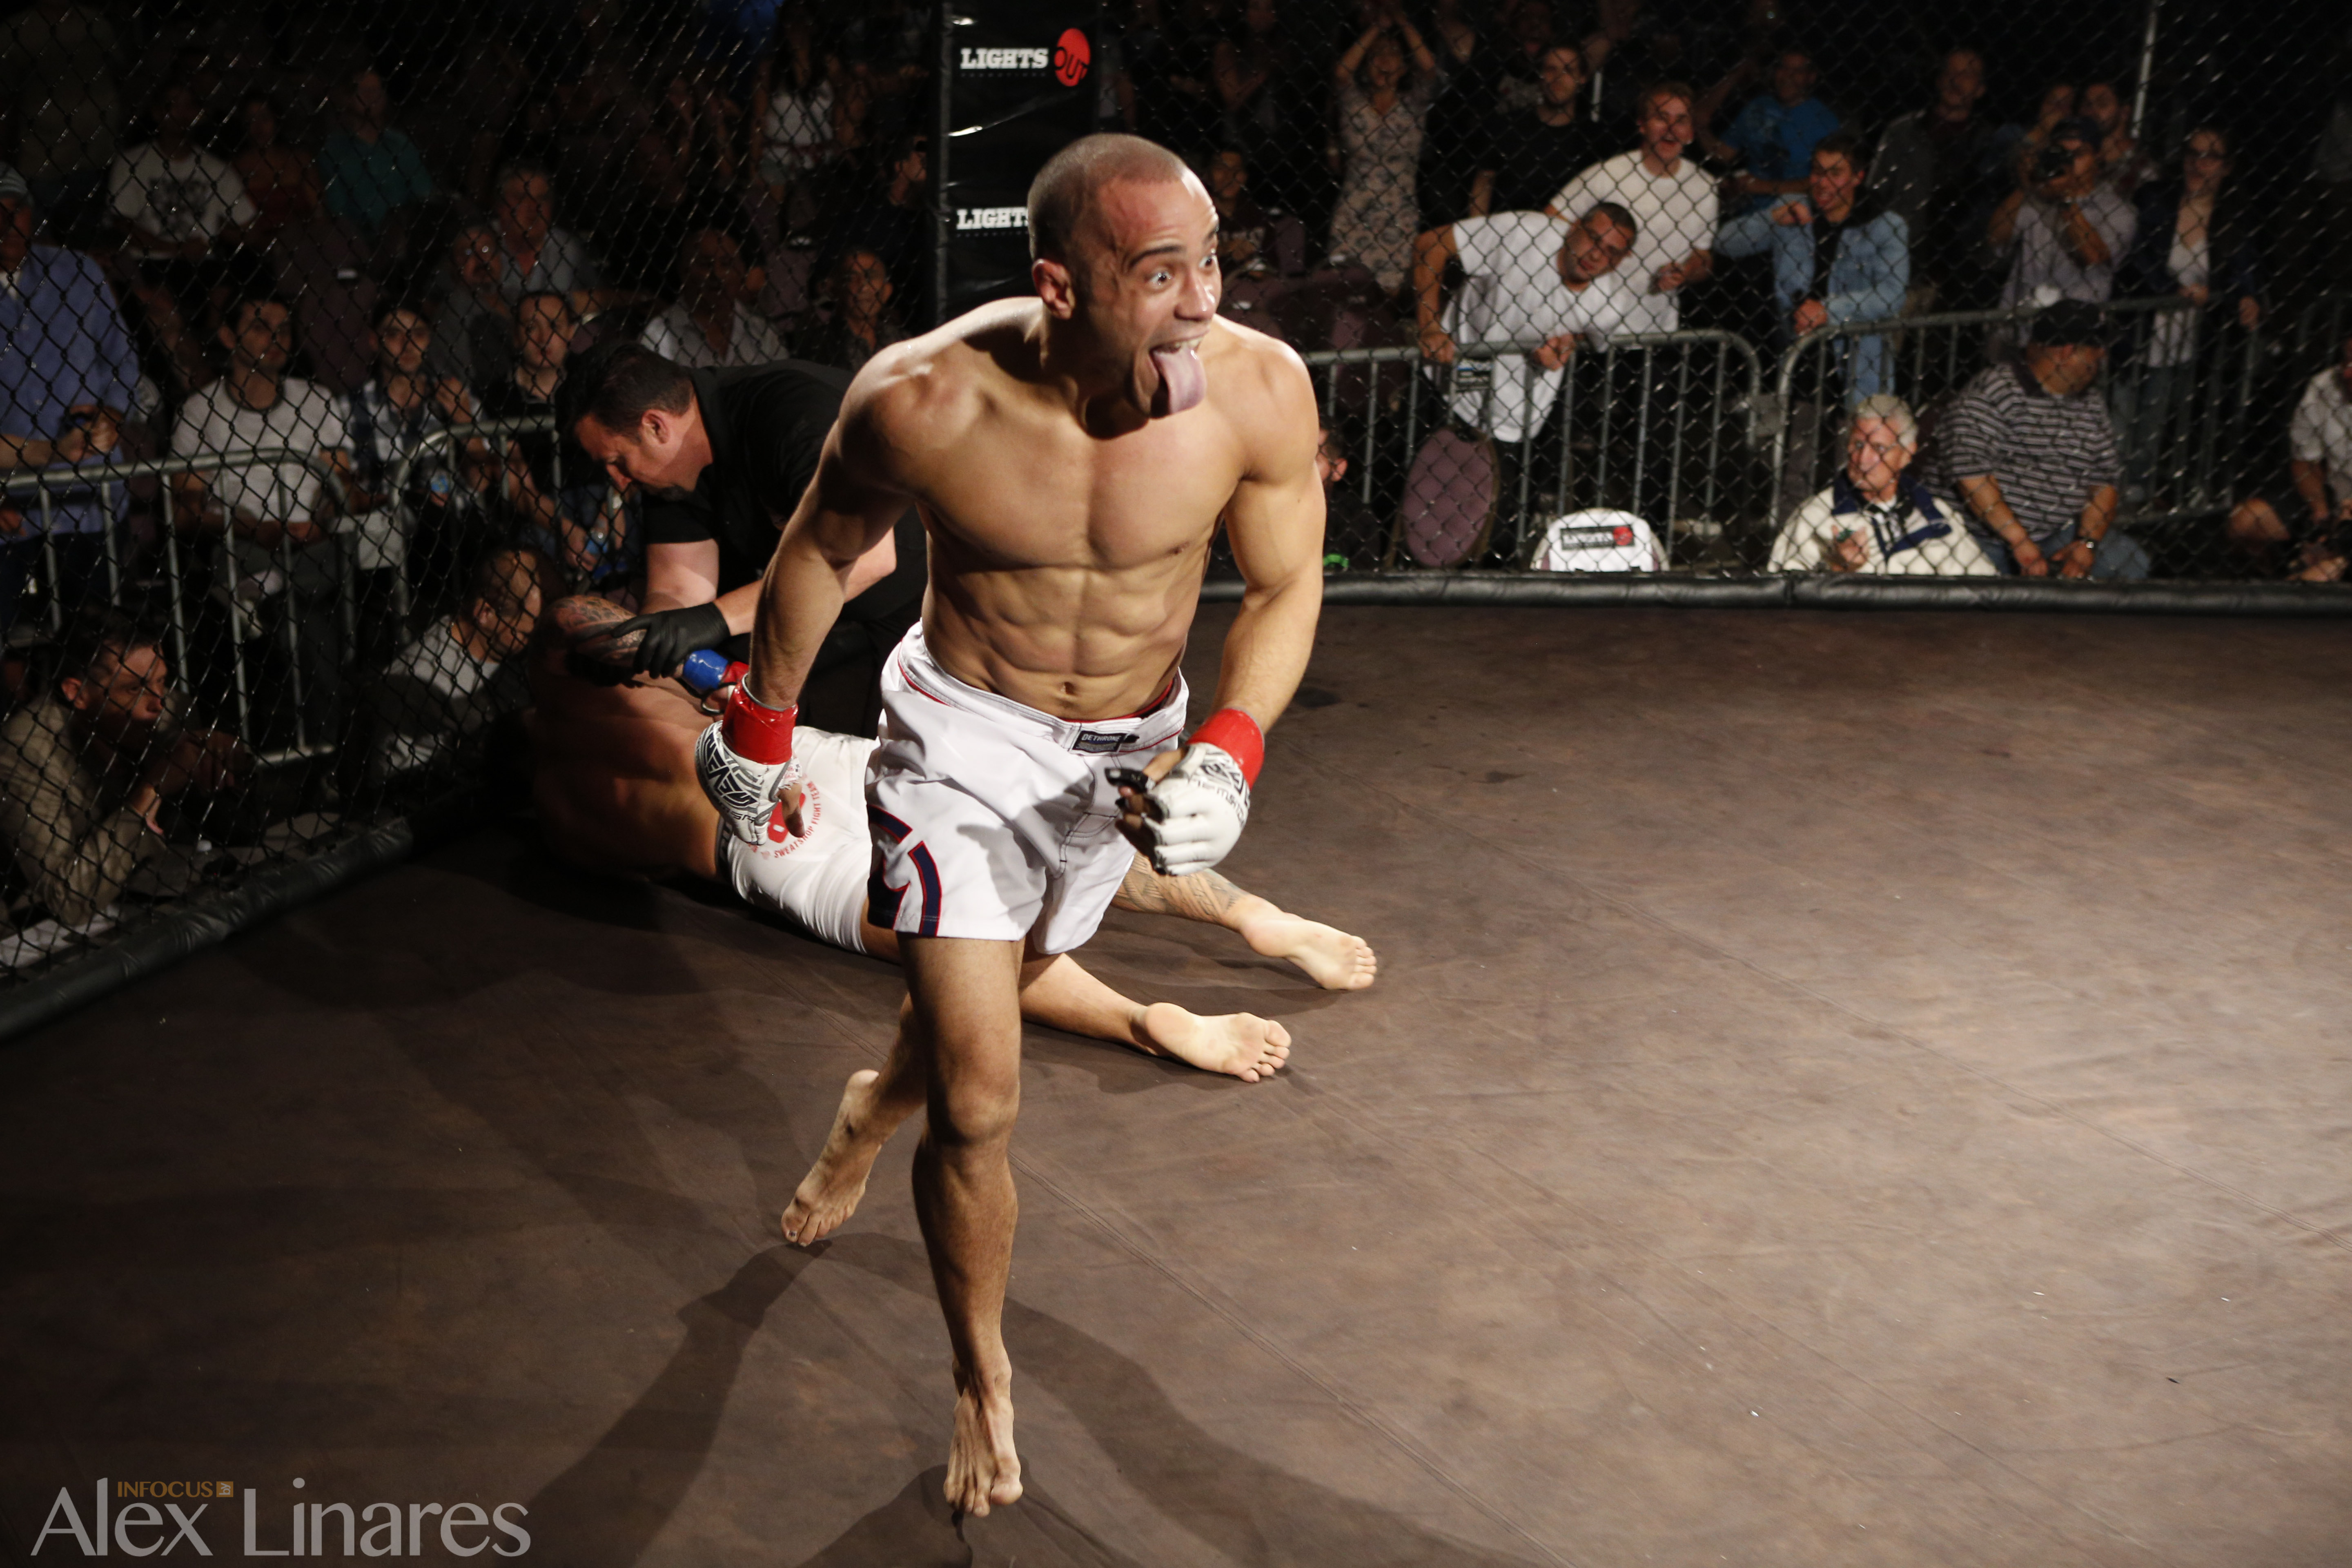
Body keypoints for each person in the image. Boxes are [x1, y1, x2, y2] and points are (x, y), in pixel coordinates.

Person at [688, 133, 1323, 1515]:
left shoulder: (1258, 389)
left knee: (975, 1007)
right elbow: (818, 549)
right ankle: (981, 1375)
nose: (1206, 301)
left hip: (1130, 749)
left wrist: (1230, 752)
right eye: (1163, 274)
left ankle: (870, 1108)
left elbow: (1286, 585)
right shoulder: (924, 400)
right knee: (982, 1094)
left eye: (1214, 261)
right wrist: (761, 728)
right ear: (1060, 285)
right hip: (962, 747)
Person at [530, 595, 1368, 1062]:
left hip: (762, 849)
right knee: (1043, 831)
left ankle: (1142, 1019)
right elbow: (599, 627)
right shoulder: (604, 690)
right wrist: (703, 672)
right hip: (799, 769)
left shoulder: (561, 806)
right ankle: (1251, 917)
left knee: (966, 935)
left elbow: (643, 866)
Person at [168, 293, 358, 737]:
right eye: (259, 327)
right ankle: (329, 744)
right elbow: (184, 510)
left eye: (284, 329)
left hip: (313, 543)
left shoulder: (316, 399)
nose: (276, 338)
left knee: (304, 595)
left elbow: (341, 482)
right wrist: (252, 527)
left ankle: (259, 596)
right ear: (228, 336)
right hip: (246, 544)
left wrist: (321, 518)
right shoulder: (200, 410)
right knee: (301, 620)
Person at [0, 612, 245, 927]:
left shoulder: (173, 711)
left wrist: (232, 761)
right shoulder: (25, 750)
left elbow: (238, 832)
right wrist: (151, 790)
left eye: (161, 681)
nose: (158, 702)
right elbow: (67, 901)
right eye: (134, 688)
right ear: (77, 693)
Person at [1715, 131, 1907, 514]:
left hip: (1860, 362)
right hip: (1803, 357)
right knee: (1797, 466)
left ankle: (1853, 533)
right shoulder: (1794, 212)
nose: (1823, 183)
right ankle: (1791, 537)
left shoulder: (1885, 226)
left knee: (1857, 461)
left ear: (1858, 177)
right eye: (1818, 172)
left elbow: (1892, 294)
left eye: (1836, 173)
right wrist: (1772, 218)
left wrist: (1829, 310)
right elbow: (1725, 242)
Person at [0, 164, 142, 633]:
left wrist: (114, 412)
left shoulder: (76, 271)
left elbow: (122, 359)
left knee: (97, 635)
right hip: (11, 501)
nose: (8, 223)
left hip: (89, 496)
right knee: (10, 642)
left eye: (18, 210)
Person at [1931, 299, 2148, 580]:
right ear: (2067, 352)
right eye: (2095, 349)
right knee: (1987, 585)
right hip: (1982, 535)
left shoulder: (2090, 401)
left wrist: (2086, 543)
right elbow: (1970, 476)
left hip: (2056, 533)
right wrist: (2019, 541)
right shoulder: (1996, 391)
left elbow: (2104, 480)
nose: (2102, 356)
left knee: (2132, 563)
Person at [2111, 126, 2264, 506]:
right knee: (2116, 420)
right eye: (2193, 154)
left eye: (2211, 156)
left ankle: (2132, 500)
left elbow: (2243, 268)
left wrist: (2241, 296)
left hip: (2182, 340)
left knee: (2151, 425)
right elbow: (2137, 256)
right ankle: (2100, 494)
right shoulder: (2156, 199)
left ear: (2227, 166)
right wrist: (2171, 291)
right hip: (2135, 328)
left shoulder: (2233, 216)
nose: (2199, 164)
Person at [1413, 201, 1639, 450]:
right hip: (1442, 380)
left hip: (1511, 418)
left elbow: (1594, 340)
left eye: (1611, 251)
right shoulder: (1523, 232)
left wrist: (1569, 342)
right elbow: (1431, 244)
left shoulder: (1610, 305)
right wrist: (1430, 326)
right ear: (1575, 227)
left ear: (1622, 259)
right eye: (1593, 239)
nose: (1596, 255)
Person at [1544, 81, 1717, 334]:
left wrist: (1686, 271)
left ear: (1691, 131)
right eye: (1662, 118)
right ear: (1642, 124)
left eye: (1681, 121)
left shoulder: (1705, 187)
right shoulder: (1608, 174)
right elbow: (1549, 222)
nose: (1671, 129)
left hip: (1657, 330)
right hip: (1588, 326)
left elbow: (1703, 256)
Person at [1768, 394, 1995, 575]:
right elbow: (1783, 594)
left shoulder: (1937, 515)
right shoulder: (1816, 516)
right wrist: (1837, 570)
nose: (1863, 459)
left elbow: (1985, 584)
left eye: (1879, 448)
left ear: (1907, 454)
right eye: (1858, 445)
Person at [481, 291, 619, 589]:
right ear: (516, 335)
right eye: (532, 327)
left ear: (571, 332)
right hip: (543, 509)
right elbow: (517, 484)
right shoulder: (500, 396)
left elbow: (625, 456)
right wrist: (565, 530)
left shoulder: (594, 378)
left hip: (604, 497)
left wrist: (607, 521)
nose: (544, 338)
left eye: (555, 326)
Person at [372, 548, 542, 780]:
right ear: (485, 613)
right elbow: (392, 777)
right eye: (524, 634)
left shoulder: (502, 654)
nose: (532, 643)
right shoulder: (423, 679)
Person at [1867, 47, 2009, 311]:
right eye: (1950, 72)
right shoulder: (1903, 131)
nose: (1956, 80)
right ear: (1939, 80)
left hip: (1961, 273)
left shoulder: (1991, 143)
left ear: (1981, 89)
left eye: (1967, 75)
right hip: (1899, 265)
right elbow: (1874, 195)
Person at [2223, 332, 2352, 581]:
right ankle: (2276, 575)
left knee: (2323, 575)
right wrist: (2321, 513)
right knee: (2245, 522)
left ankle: (2320, 571)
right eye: (2347, 360)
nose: (2348, 373)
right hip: (2335, 499)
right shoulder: (2324, 387)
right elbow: (2305, 462)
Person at [1329, 4, 1439, 291]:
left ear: (1404, 67)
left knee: (1391, 295)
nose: (1384, 61)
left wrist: (1403, 22)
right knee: (1345, 292)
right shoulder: (1354, 103)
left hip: (1399, 212)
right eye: (1377, 55)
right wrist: (1376, 27)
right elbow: (1342, 72)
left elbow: (1429, 68)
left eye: (1393, 54)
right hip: (1354, 210)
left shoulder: (1412, 105)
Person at [1989, 117, 2136, 310]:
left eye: (2079, 154)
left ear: (2097, 158)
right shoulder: (2035, 198)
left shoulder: (2117, 210)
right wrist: (2028, 185)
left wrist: (2066, 198)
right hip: (2020, 317)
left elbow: (2093, 258)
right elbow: (1995, 238)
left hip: (2078, 320)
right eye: (2062, 154)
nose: (2069, 162)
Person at [108, 80, 254, 268]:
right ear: (157, 112)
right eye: (173, 105)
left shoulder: (216, 168)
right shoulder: (132, 163)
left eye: (189, 105)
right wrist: (177, 249)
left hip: (205, 266)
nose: (181, 112)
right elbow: (122, 223)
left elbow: (245, 224)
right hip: (147, 263)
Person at [1473, 42, 1603, 218]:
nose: (1558, 78)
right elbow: (1484, 182)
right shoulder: (1507, 126)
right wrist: (1478, 228)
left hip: (1563, 230)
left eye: (1568, 71)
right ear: (1540, 75)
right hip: (1503, 226)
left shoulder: (1594, 139)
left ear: (1582, 79)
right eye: (1551, 69)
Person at [638, 225, 789, 370]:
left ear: (742, 271)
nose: (717, 274)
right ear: (684, 270)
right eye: (706, 264)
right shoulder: (659, 335)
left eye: (726, 264)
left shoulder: (762, 331)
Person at [1712, 47, 1839, 216]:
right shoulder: (1759, 106)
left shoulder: (1825, 122)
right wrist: (1700, 128)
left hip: (1792, 211)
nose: (1788, 76)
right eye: (1783, 68)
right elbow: (1725, 153)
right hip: (1745, 208)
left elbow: (1827, 181)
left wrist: (1763, 187)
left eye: (1798, 71)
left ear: (1811, 78)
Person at [315, 67, 437, 240]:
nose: (371, 96)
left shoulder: (401, 145)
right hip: (355, 239)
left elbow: (423, 194)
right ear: (347, 97)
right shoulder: (333, 150)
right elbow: (338, 210)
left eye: (376, 90)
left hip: (405, 235)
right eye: (363, 90)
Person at [490, 163, 609, 314]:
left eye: (542, 199)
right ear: (500, 204)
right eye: (521, 198)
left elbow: (597, 296)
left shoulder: (567, 248)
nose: (534, 208)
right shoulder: (483, 244)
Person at [798, 248, 908, 375]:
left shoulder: (901, 340)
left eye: (871, 276)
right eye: (850, 278)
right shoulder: (819, 345)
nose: (864, 286)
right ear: (833, 289)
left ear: (887, 291)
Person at [229, 93, 321, 241]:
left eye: (265, 118)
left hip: (303, 239)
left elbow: (319, 211)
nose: (258, 126)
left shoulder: (300, 160)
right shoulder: (234, 168)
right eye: (251, 119)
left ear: (277, 120)